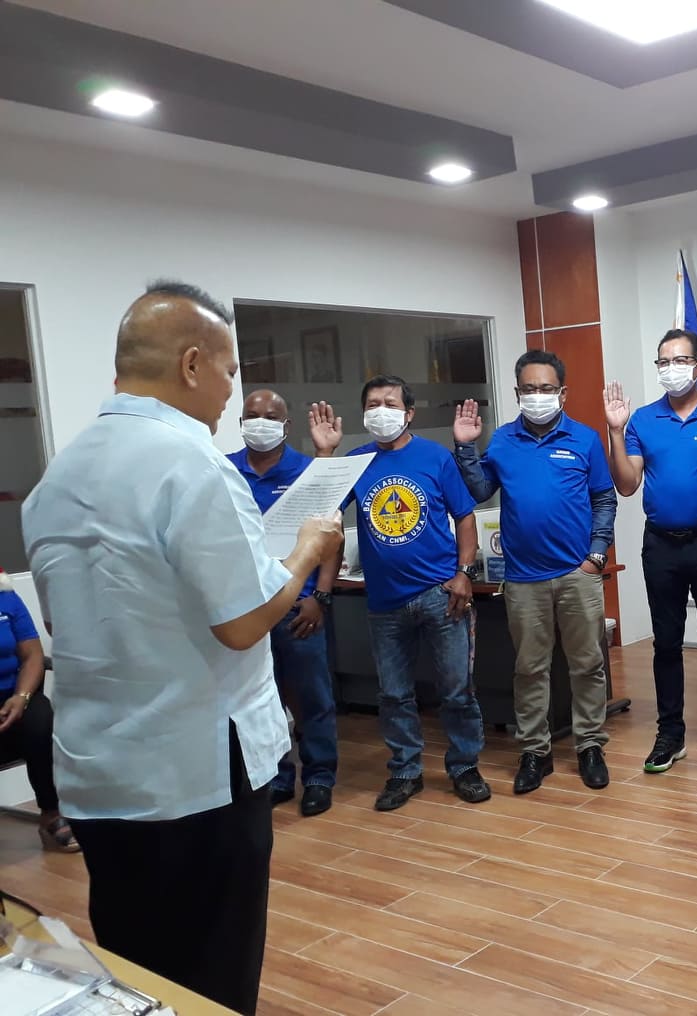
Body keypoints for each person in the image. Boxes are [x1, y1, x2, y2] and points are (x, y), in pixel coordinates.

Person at [21, 281, 343, 1014]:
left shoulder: (58, 476)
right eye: (229, 372)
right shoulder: (191, 463)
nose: (232, 394)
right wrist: (306, 549)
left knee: (137, 966)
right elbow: (243, 620)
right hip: (197, 774)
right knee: (212, 974)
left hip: (101, 772)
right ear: (192, 364)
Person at [309, 375, 489, 812]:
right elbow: (321, 513)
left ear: (409, 413)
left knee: (456, 690)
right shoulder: (355, 461)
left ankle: (464, 766)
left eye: (390, 403)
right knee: (393, 694)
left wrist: (464, 573)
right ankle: (405, 771)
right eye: (372, 404)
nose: (380, 411)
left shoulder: (435, 457)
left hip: (440, 593)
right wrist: (325, 454)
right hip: (384, 601)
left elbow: (465, 517)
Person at [452, 350, 616, 794]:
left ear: (562, 393)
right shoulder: (503, 441)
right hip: (524, 578)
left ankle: (590, 746)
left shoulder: (584, 440)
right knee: (529, 669)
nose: (537, 396)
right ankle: (535, 752)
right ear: (517, 392)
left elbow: (604, 499)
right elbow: (480, 490)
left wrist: (596, 555)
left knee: (588, 664)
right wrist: (466, 447)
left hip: (577, 574)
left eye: (546, 388)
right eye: (529, 389)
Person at [604, 329, 697, 774]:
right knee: (666, 644)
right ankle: (670, 734)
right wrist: (615, 432)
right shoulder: (644, 420)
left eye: (680, 361)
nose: (671, 369)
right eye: (663, 362)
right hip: (661, 546)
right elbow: (627, 485)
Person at [228, 390, 341, 817]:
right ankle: (276, 776)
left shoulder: (307, 471)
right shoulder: (223, 470)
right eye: (252, 415)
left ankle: (319, 776)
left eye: (270, 416)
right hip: (245, 608)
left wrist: (319, 597)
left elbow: (330, 541)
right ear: (241, 422)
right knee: (260, 698)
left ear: (286, 425)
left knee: (311, 696)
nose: (260, 422)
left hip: (298, 605)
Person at [0, 567, 77, 853]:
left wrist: (20, 697)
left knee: (41, 717)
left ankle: (51, 814)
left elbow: (32, 655)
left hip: (12, 699)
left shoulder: (6, 596)